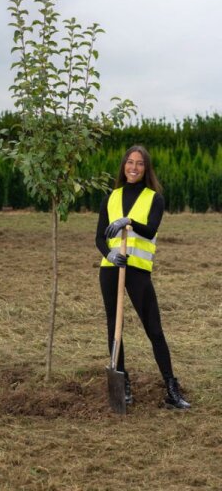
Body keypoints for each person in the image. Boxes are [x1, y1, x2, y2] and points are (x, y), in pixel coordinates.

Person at [95, 145, 190, 409]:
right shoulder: (111, 198)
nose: (133, 168)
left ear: (145, 168)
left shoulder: (154, 198)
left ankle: (171, 388)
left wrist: (129, 222)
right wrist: (110, 255)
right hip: (111, 269)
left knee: (154, 328)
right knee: (115, 327)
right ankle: (122, 383)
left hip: (137, 271)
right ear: (123, 166)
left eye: (139, 164)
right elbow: (99, 237)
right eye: (129, 162)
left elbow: (149, 231)